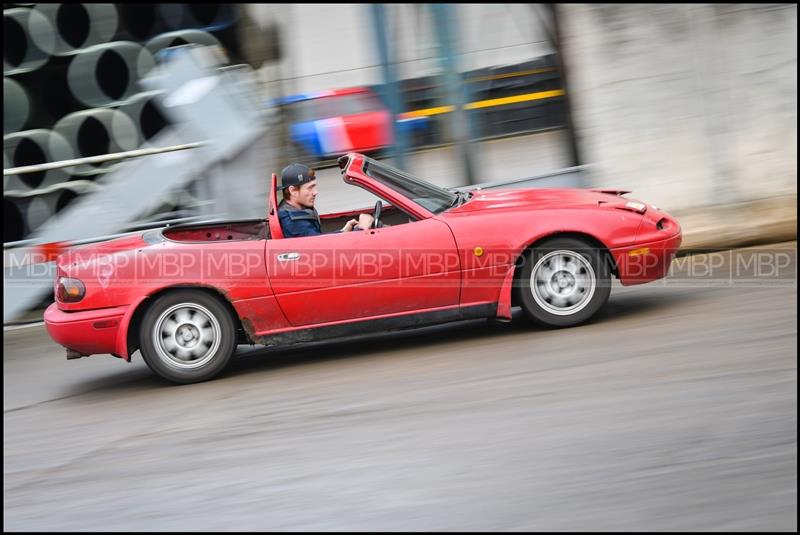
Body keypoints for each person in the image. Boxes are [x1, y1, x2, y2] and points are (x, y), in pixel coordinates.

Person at [278, 163, 374, 238]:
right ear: (293, 190)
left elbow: (319, 239)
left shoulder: (293, 211)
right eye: (310, 188)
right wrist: (361, 229)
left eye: (314, 187)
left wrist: (343, 232)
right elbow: (323, 247)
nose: (315, 192)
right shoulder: (294, 222)